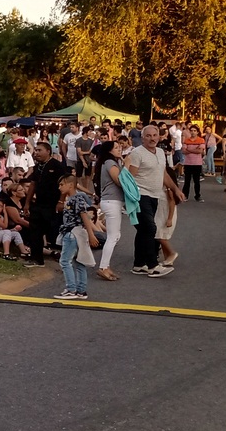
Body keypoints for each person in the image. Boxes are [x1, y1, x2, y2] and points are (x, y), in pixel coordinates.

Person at [124, 125, 183, 277]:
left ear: (159, 136)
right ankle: (153, 265)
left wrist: (176, 189)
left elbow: (163, 174)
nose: (152, 138)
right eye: (148, 136)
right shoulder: (137, 153)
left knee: (143, 230)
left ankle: (138, 264)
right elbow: (130, 177)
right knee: (150, 228)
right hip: (141, 195)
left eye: (154, 135)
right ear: (142, 138)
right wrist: (130, 198)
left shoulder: (161, 152)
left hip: (155, 195)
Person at [54, 173, 103, 300]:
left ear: (70, 185)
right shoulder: (71, 199)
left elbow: (84, 217)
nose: (59, 187)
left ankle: (71, 289)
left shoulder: (76, 199)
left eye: (62, 184)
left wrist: (92, 235)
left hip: (72, 233)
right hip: (76, 232)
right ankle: (81, 290)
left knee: (65, 261)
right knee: (79, 261)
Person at [24, 141, 68, 268]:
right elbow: (33, 184)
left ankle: (67, 256)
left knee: (54, 231)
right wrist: (27, 203)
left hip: (53, 204)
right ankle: (37, 259)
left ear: (48, 151)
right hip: (38, 204)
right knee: (35, 231)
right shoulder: (38, 166)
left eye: (39, 150)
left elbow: (65, 184)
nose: (36, 153)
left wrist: (61, 201)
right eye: (36, 150)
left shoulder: (57, 165)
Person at [93, 141, 124, 282]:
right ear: (109, 151)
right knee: (112, 237)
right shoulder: (110, 163)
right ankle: (103, 267)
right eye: (116, 148)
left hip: (110, 201)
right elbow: (119, 180)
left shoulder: (106, 162)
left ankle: (105, 266)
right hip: (112, 202)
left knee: (115, 236)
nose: (119, 149)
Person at [181, 125, 206, 201]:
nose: (193, 132)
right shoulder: (186, 140)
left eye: (194, 131)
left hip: (197, 163)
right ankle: (185, 195)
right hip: (188, 163)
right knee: (187, 181)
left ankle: (197, 195)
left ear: (197, 132)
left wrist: (189, 150)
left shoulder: (201, 140)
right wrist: (195, 150)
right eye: (191, 131)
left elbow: (200, 151)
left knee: (197, 181)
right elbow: (183, 151)